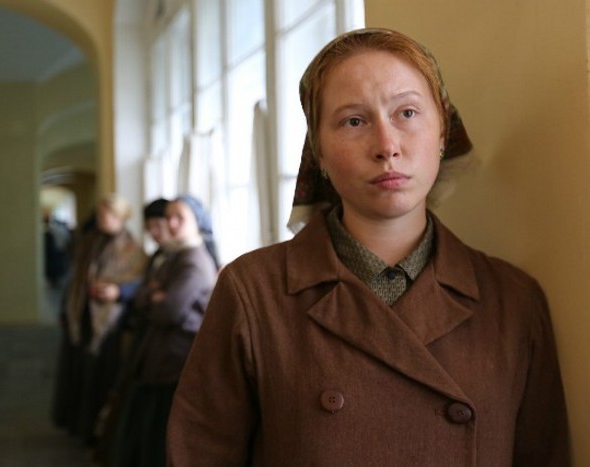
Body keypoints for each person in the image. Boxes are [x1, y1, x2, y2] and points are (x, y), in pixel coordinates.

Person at [166, 28, 570, 466]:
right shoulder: (252, 292)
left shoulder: (512, 301)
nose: (386, 146)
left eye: (407, 113)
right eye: (354, 121)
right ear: (318, 152)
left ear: (442, 131)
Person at [106, 195, 219, 467]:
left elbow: (168, 311)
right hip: (161, 354)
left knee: (161, 433)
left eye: (180, 217)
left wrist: (153, 297)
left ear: (197, 221)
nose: (172, 223)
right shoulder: (175, 255)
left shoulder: (193, 261)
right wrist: (151, 295)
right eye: (169, 217)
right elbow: (144, 296)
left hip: (175, 359)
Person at [51, 193, 148, 445]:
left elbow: (140, 282)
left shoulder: (132, 249)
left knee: (100, 377)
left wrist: (119, 291)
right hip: (82, 314)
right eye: (102, 213)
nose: (103, 218)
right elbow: (76, 278)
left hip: (108, 321)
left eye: (109, 214)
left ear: (120, 216)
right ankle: (78, 425)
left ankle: (97, 432)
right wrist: (66, 309)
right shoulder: (91, 241)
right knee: (78, 373)